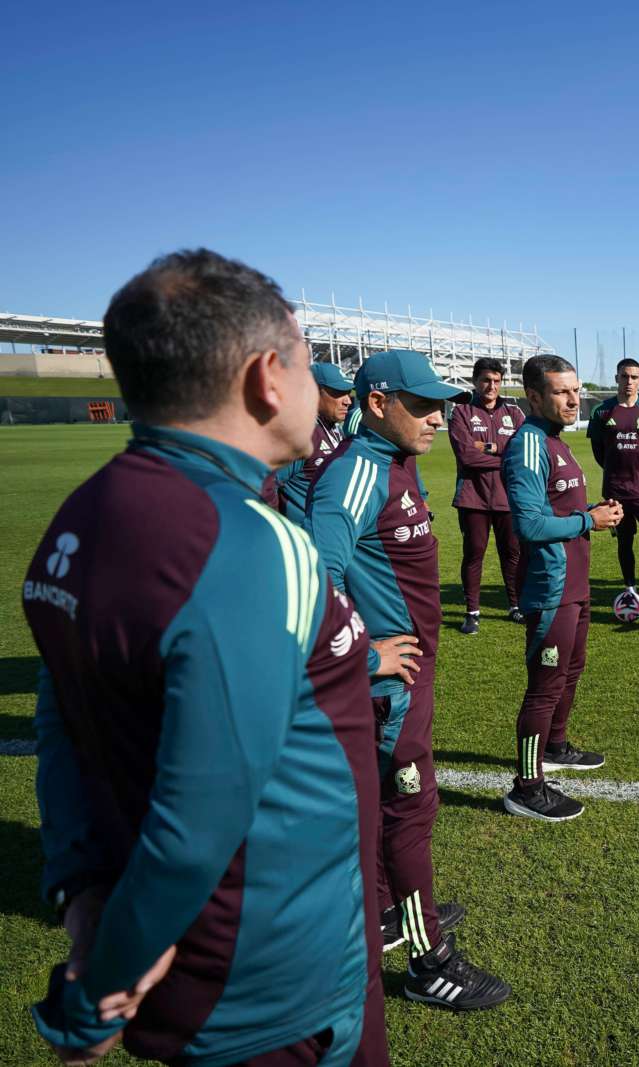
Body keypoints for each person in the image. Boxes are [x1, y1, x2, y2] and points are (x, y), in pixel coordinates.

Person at [23, 249, 389, 1066]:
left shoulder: (76, 521)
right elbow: (198, 825)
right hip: (278, 984)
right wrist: (94, 994)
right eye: (306, 362)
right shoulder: (252, 543)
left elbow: (62, 727)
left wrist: (81, 891)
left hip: (233, 971)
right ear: (268, 376)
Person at [307, 348, 509, 1011]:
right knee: (410, 812)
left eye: (438, 402)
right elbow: (312, 589)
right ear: (375, 404)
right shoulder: (353, 476)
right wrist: (368, 658)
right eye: (421, 404)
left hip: (407, 679)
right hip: (387, 687)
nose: (436, 416)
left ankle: (394, 913)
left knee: (388, 813)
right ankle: (430, 964)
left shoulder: (397, 460)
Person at [502, 356, 624, 820]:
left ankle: (555, 746)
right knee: (544, 687)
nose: (574, 399)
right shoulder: (528, 446)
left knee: (571, 671)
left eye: (576, 390)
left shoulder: (556, 441)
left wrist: (593, 511)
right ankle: (526, 788)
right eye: (561, 392)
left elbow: (560, 507)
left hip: (575, 581)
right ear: (534, 397)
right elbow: (530, 524)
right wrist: (587, 520)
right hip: (550, 587)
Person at [587, 359, 639, 625]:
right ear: (617, 378)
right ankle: (631, 593)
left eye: (634, 377)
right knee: (624, 543)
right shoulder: (602, 412)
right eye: (624, 376)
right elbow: (599, 452)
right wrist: (617, 475)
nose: (629, 381)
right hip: (615, 492)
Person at [449, 357, 526, 634]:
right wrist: (503, 453)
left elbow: (520, 454)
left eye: (496, 381)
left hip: (508, 498)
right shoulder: (461, 413)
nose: (491, 386)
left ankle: (516, 606)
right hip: (474, 498)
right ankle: (472, 612)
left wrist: (489, 447)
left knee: (513, 554)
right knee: (474, 554)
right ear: (475, 381)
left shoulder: (515, 413)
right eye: (486, 380)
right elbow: (467, 456)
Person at [276, 360, 354, 525]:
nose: (347, 400)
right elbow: (263, 486)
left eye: (348, 393)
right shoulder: (298, 433)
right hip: (305, 540)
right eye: (338, 392)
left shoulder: (335, 430)